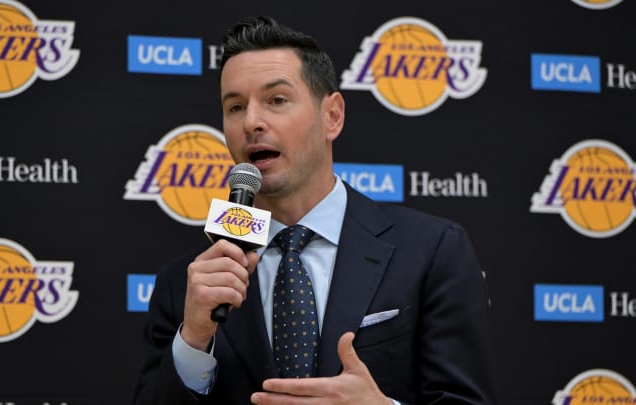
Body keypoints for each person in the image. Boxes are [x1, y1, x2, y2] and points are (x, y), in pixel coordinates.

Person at [133, 15, 497, 405]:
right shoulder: (185, 286)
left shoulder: (432, 251)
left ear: (332, 116)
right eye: (235, 106)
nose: (252, 122)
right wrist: (193, 339)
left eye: (276, 100)